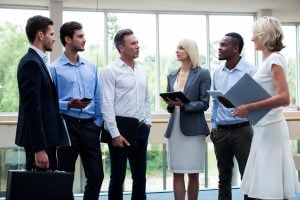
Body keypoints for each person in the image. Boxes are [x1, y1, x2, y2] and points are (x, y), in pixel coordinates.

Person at [233, 16, 300, 200]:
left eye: (255, 34)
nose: (252, 38)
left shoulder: (275, 59)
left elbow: (285, 98)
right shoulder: (268, 60)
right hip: (263, 127)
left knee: (272, 184)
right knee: (268, 184)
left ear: (264, 35)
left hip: (272, 129)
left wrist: (249, 106)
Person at [49, 21, 103, 200]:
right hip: (67, 126)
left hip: (90, 127)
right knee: (65, 177)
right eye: (80, 36)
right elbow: (49, 103)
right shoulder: (54, 69)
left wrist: (97, 123)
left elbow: (98, 97)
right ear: (68, 39)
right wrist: (68, 105)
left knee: (96, 175)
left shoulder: (91, 67)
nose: (84, 40)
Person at [100, 29, 151, 200]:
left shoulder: (142, 70)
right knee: (117, 177)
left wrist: (148, 122)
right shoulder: (110, 71)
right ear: (122, 48)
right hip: (119, 130)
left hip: (140, 128)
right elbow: (106, 105)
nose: (138, 47)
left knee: (140, 177)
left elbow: (146, 99)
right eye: (133, 44)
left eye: (137, 43)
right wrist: (114, 134)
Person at [210, 32, 256, 200]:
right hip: (220, 132)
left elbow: (256, 100)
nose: (219, 49)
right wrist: (214, 125)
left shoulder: (250, 70)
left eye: (224, 45)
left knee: (248, 176)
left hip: (242, 131)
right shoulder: (217, 72)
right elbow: (215, 102)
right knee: (224, 178)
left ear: (235, 48)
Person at [164, 39, 211, 200]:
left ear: (190, 51)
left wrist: (184, 105)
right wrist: (170, 104)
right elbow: (170, 105)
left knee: (193, 173)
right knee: (177, 172)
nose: (177, 51)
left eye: (181, 48)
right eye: (177, 47)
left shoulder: (203, 74)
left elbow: (205, 103)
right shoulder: (171, 75)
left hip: (194, 129)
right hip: (175, 129)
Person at [15, 15, 60, 171]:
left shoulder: (40, 61)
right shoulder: (31, 63)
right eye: (52, 34)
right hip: (40, 143)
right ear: (40, 35)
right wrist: (39, 149)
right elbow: (32, 108)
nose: (54, 39)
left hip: (47, 139)